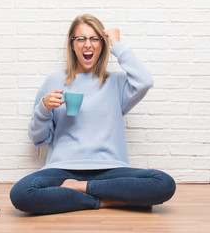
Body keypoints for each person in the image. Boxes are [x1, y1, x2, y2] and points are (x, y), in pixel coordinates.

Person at [10, 14, 176, 214]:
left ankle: (80, 189)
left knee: (164, 183)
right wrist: (44, 109)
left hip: (111, 169)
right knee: (21, 193)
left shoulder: (116, 83)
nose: (87, 44)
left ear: (102, 45)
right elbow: (38, 140)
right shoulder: (54, 81)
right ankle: (109, 202)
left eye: (94, 38)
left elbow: (145, 81)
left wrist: (117, 44)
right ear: (72, 45)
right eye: (81, 39)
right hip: (63, 169)